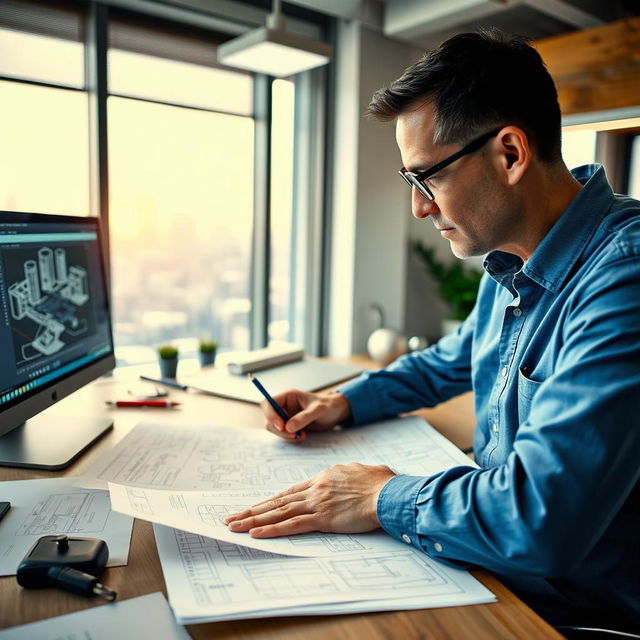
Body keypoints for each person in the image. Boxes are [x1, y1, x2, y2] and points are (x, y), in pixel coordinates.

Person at [225, 29, 640, 631]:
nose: (419, 207)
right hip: (498, 572)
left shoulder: (623, 278)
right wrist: (341, 402)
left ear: (510, 154)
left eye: (429, 177)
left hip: (571, 610)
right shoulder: (515, 254)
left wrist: (377, 495)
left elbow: (537, 518)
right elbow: (453, 358)